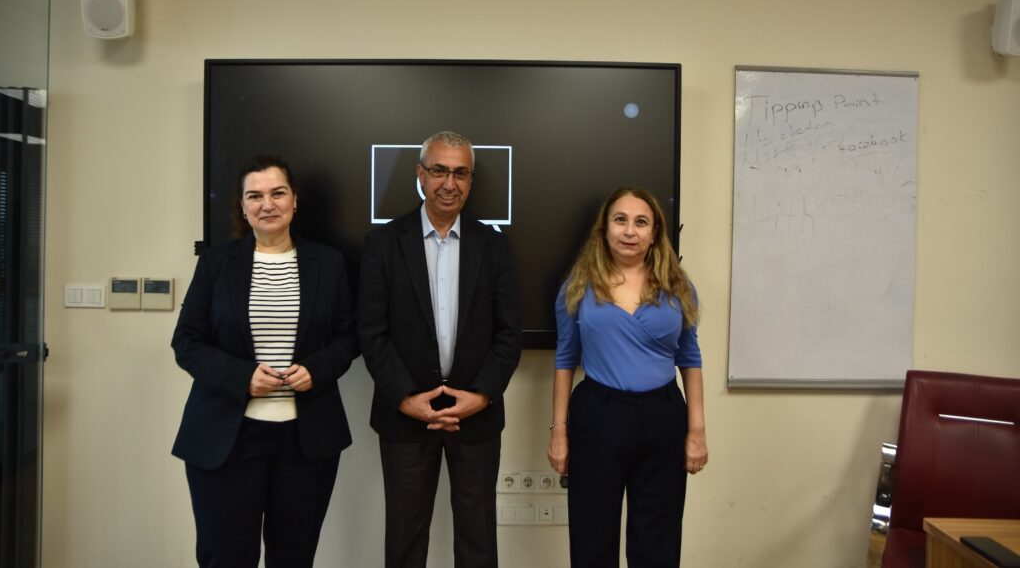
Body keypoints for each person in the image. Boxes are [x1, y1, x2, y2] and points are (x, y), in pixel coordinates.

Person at [171, 155, 359, 568]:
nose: (267, 204)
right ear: (242, 206)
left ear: (295, 200)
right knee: (226, 558)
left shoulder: (328, 263)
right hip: (226, 440)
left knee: (293, 558)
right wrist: (243, 377)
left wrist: (317, 369)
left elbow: (349, 336)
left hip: (306, 442)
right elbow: (186, 342)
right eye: (255, 196)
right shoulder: (216, 263)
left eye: (278, 193)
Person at [358, 130, 522, 568]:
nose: (450, 183)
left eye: (460, 173)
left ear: (471, 180)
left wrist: (482, 395)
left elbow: (510, 333)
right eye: (439, 171)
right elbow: (371, 333)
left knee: (478, 541)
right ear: (420, 174)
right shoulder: (383, 244)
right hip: (406, 417)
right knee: (405, 542)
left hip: (477, 417)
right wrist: (405, 399)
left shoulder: (493, 246)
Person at [546, 187, 707, 568]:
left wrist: (697, 431)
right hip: (598, 416)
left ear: (655, 232)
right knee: (592, 539)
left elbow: (690, 359)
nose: (630, 231)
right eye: (620, 220)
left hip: (664, 418)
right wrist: (559, 431)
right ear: (604, 229)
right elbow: (565, 360)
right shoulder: (578, 286)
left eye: (641, 222)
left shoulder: (678, 286)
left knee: (657, 543)